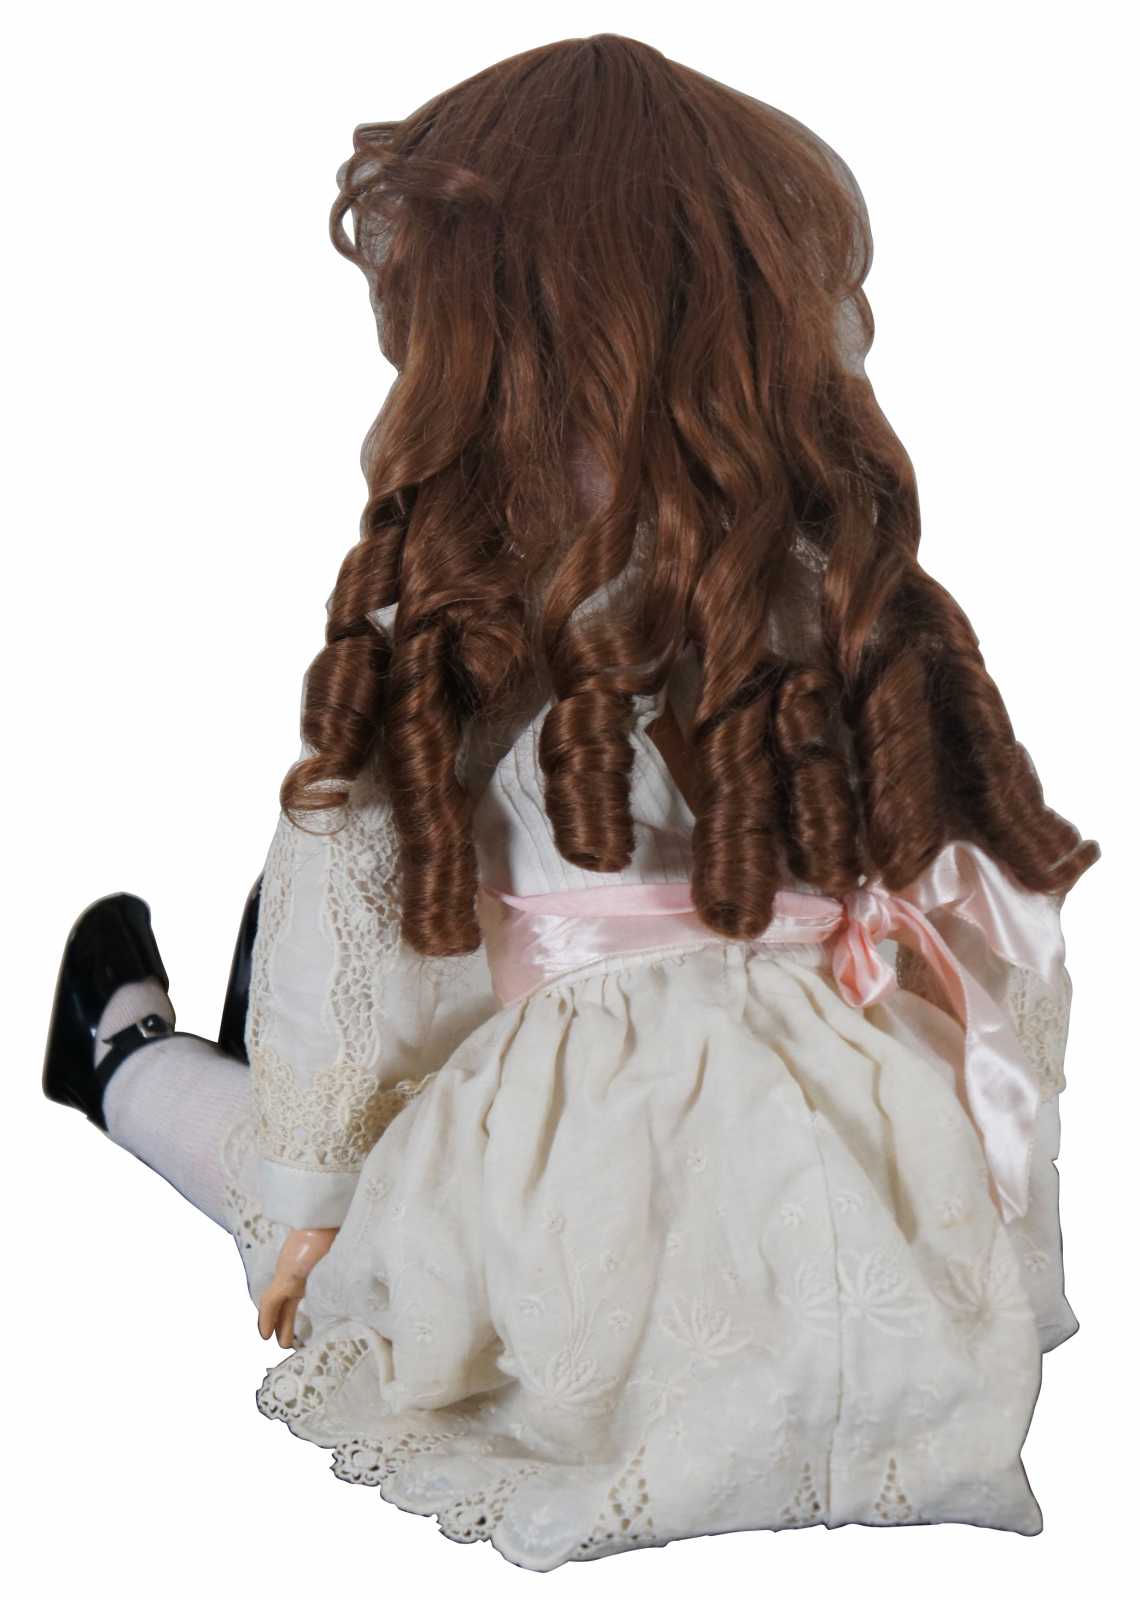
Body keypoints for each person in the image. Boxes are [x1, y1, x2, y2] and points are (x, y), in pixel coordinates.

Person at [41, 33, 1098, 1571]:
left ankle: (117, 1051)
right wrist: (997, 1151)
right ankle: (164, 1048)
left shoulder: (461, 623)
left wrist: (315, 1209)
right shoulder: (851, 606)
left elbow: (353, 961)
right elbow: (996, 937)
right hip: (846, 1151)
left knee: (322, 1201)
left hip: (561, 1179)